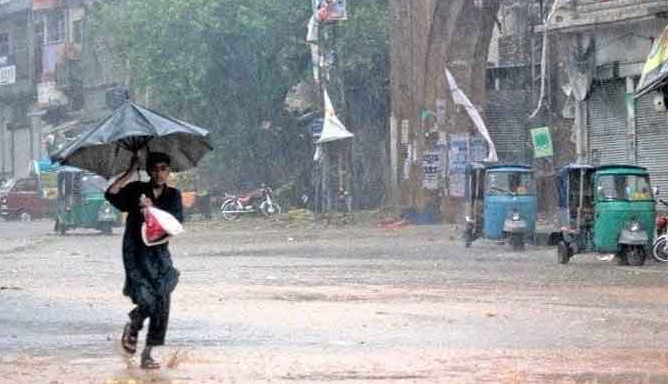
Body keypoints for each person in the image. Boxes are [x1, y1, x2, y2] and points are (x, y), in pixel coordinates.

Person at [105, 152, 183, 369]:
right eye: (155, 169)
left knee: (162, 301)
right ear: (149, 171)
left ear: (168, 171)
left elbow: (177, 224)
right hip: (135, 254)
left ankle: (148, 353)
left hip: (159, 255)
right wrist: (129, 171)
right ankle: (133, 325)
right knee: (146, 299)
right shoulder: (136, 190)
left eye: (163, 169)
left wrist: (152, 209)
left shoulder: (173, 195)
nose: (159, 173)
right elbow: (111, 194)